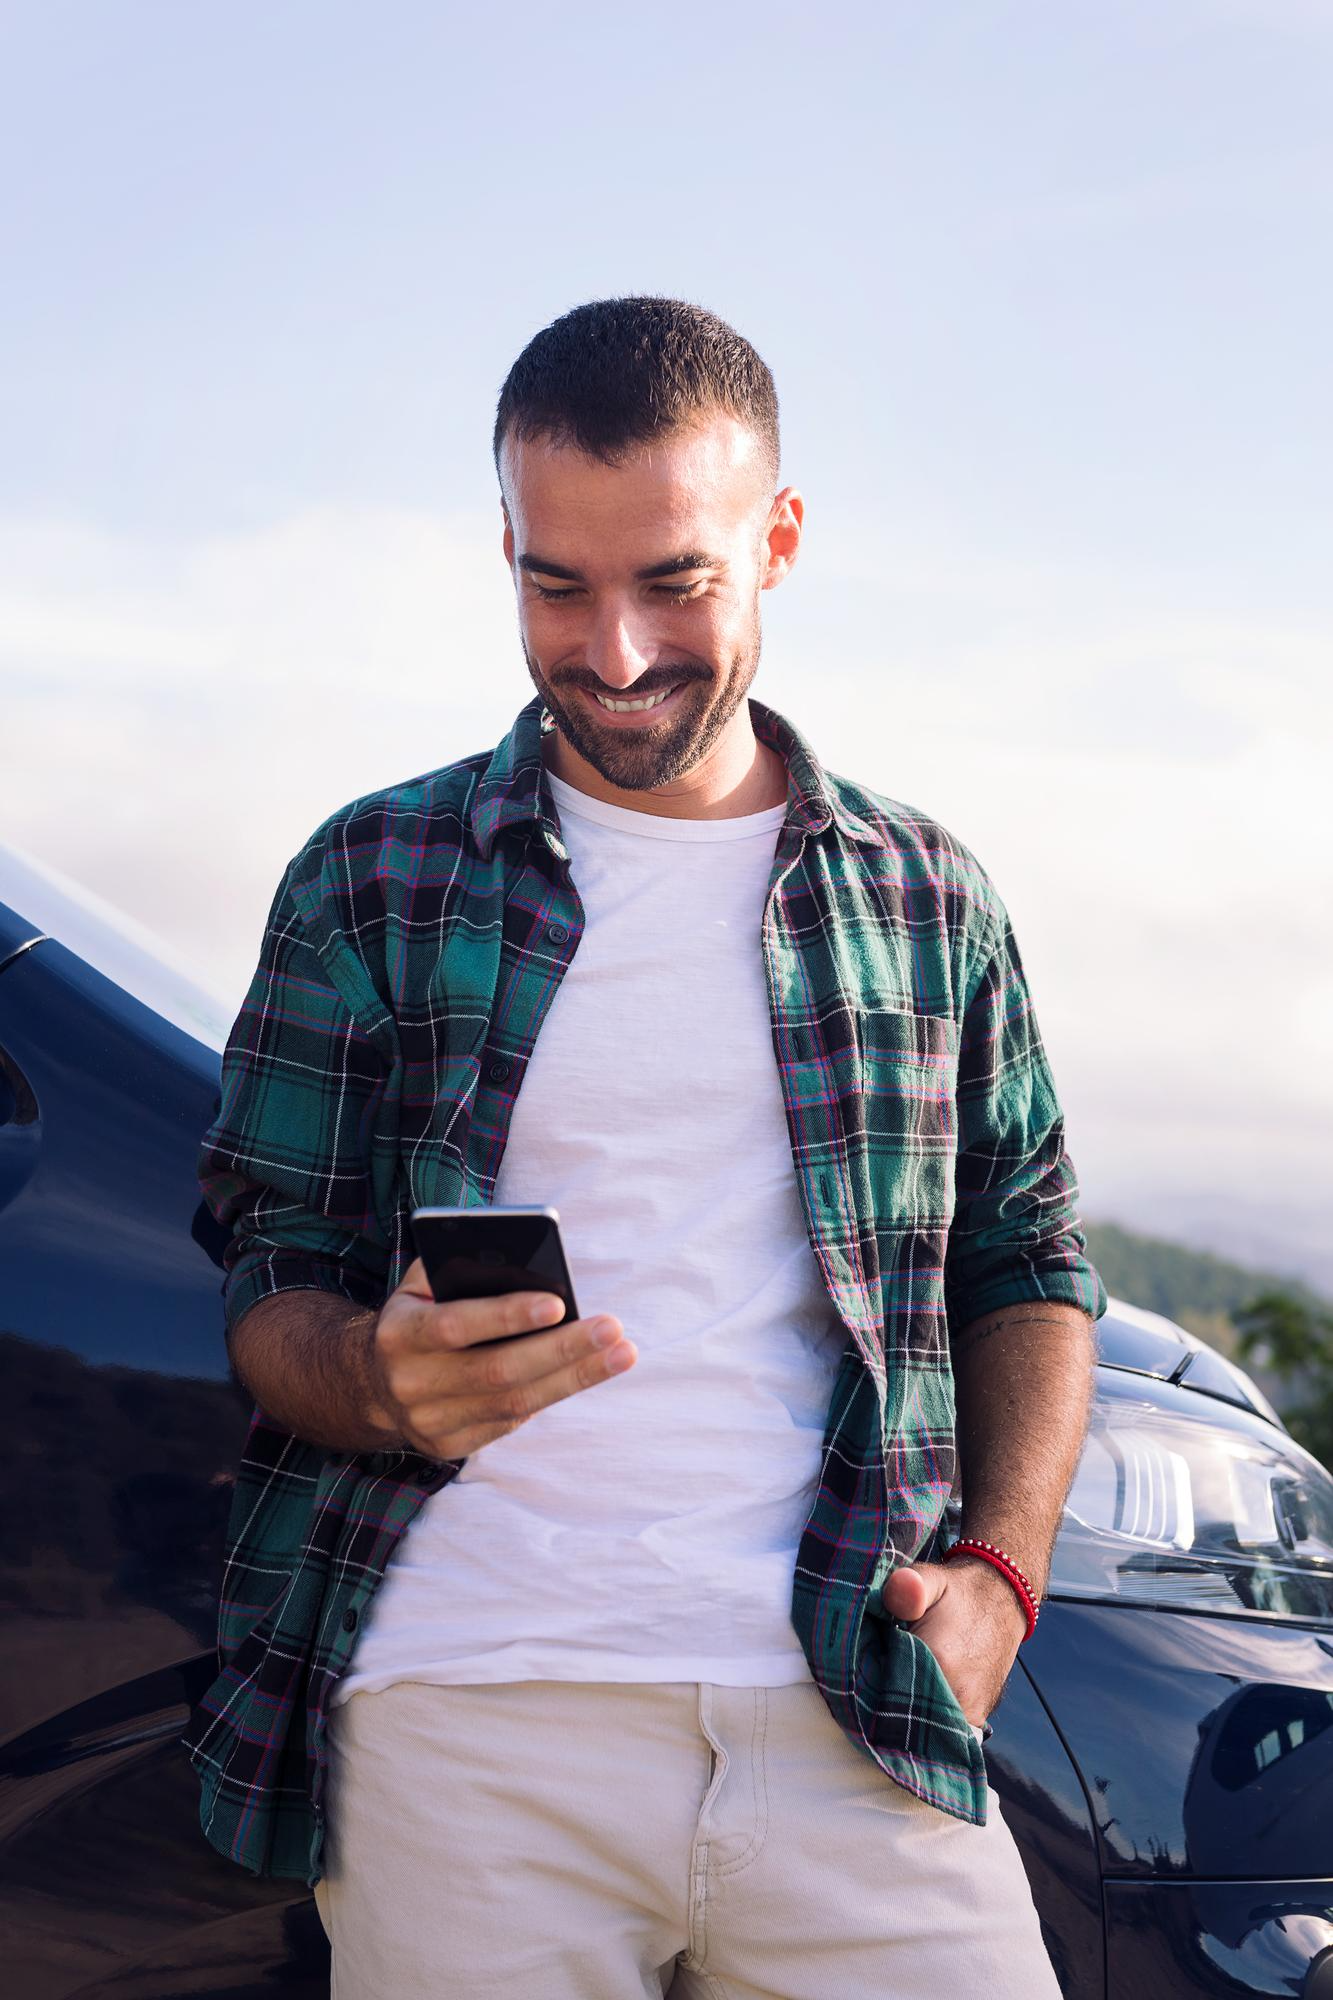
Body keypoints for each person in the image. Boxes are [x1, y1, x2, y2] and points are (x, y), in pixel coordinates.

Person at [183, 295, 1107, 2000]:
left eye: (674, 582)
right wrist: (376, 1381)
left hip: (863, 1708)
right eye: (557, 585)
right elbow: (269, 1280)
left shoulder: (927, 896)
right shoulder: (371, 878)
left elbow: (1029, 1257)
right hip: (469, 1711)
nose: (612, 653)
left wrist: (1000, 1575)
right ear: (509, 547)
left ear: (782, 542)